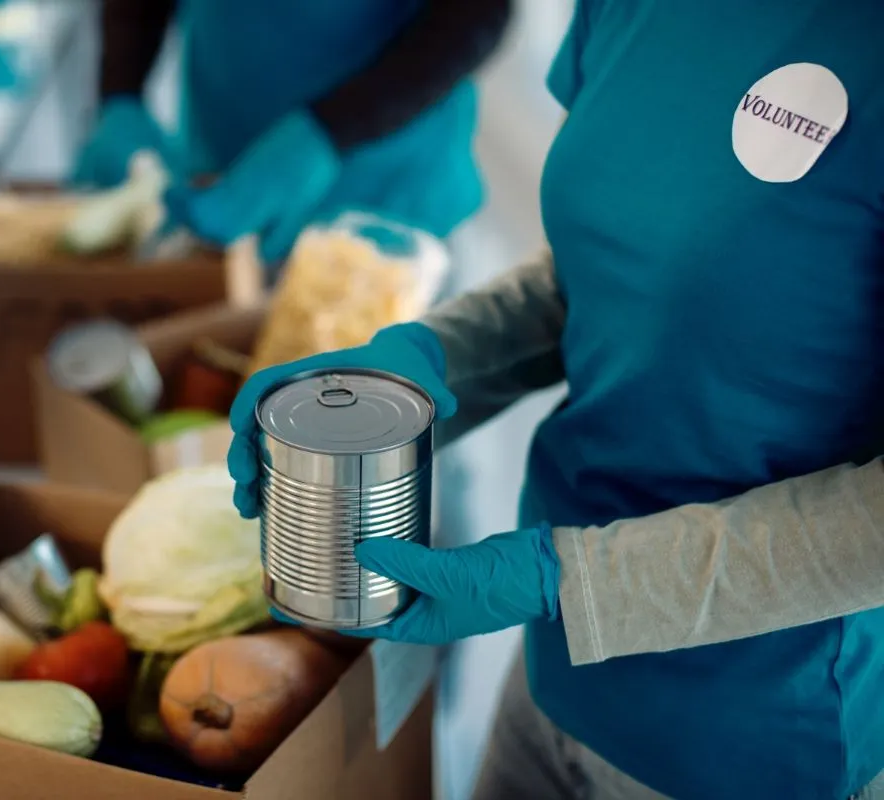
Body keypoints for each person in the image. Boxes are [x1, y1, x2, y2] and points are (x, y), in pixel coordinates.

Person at [226, 1, 884, 798]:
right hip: (559, 673)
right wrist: (432, 361)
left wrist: (564, 579)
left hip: (752, 738)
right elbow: (615, 266)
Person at [72, 0, 512, 269]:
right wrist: (121, 91)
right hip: (225, 176)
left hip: (384, 198)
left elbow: (478, 11)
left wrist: (327, 131)